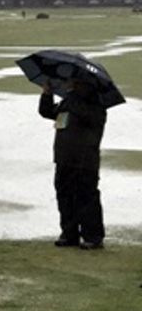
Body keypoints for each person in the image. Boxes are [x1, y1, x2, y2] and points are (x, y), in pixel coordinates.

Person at [39, 77, 107, 249]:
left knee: (87, 198)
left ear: (85, 86)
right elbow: (47, 111)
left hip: (85, 160)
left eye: (74, 82)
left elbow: (84, 115)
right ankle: (69, 234)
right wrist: (47, 95)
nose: (68, 84)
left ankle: (93, 236)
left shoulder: (95, 107)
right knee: (65, 196)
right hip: (64, 158)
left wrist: (71, 95)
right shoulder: (69, 103)